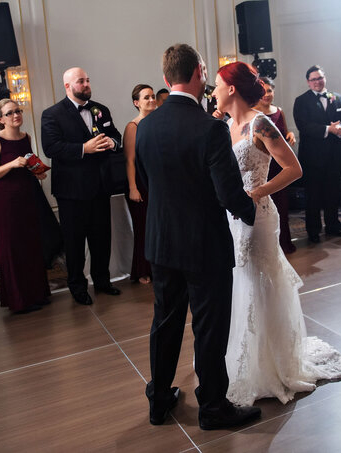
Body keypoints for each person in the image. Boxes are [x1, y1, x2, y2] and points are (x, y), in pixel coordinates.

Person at [135, 44, 260, 430]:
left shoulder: (146, 125)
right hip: (204, 243)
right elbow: (227, 192)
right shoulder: (211, 127)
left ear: (165, 78)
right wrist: (251, 212)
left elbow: (146, 181)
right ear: (199, 73)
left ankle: (159, 401)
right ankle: (212, 408)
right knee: (209, 326)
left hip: (161, 242)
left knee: (165, 322)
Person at [215, 62, 341, 407]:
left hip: (258, 214)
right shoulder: (226, 125)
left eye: (216, 85)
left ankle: (273, 364)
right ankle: (243, 358)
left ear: (231, 89)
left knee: (260, 279)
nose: (212, 91)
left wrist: (257, 192)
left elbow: (294, 169)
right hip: (232, 215)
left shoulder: (261, 123)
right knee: (239, 280)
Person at [41, 67, 122, 306]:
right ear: (68, 86)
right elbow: (51, 148)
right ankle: (77, 286)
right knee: (75, 242)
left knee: (101, 239)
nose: (86, 84)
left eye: (87, 80)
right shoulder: (52, 114)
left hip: (100, 186)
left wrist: (112, 142)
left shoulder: (100, 109)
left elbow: (116, 135)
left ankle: (103, 281)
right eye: (80, 81)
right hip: (71, 191)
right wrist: (83, 149)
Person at [0, 99, 51, 313]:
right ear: (0, 119)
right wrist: (11, 164)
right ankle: (19, 301)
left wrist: (37, 172)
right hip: (5, 200)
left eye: (18, 111)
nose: (16, 115)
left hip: (28, 196)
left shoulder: (26, 137)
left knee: (31, 244)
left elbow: (27, 164)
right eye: (10, 113)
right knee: (12, 248)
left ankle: (36, 294)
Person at [292, 65, 341, 243]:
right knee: (314, 195)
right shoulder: (301, 101)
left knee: (333, 193)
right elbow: (304, 126)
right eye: (313, 79)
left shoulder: (338, 98)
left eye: (320, 78)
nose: (317, 82)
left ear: (324, 79)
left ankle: (333, 226)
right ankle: (313, 231)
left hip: (334, 154)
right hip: (313, 157)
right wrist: (329, 129)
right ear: (308, 82)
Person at [253, 76, 297, 254]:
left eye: (269, 90)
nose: (266, 94)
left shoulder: (279, 111)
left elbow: (285, 134)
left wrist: (291, 135)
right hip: (263, 165)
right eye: (262, 91)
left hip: (279, 165)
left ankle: (283, 244)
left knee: (281, 206)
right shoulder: (253, 114)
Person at [124, 84, 157, 284]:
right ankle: (142, 270)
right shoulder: (133, 127)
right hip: (140, 183)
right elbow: (129, 160)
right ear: (137, 103)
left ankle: (159, 266)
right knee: (144, 227)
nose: (152, 100)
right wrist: (133, 188)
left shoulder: (158, 123)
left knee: (158, 226)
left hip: (156, 181)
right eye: (147, 97)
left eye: (153, 96)